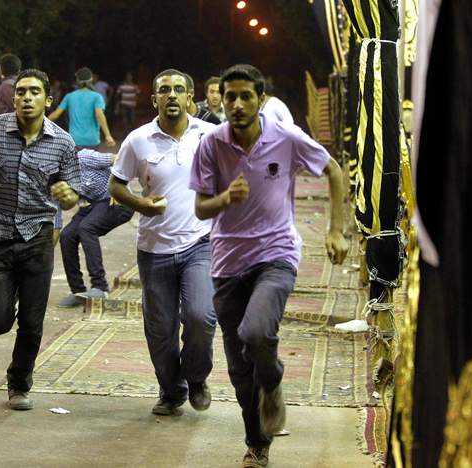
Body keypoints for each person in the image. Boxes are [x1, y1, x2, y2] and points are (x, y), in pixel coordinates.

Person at [190, 64, 349, 468]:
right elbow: (201, 207)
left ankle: (274, 379)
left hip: (276, 253)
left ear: (261, 99)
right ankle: (257, 444)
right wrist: (225, 198)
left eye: (246, 96)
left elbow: (333, 170)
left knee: (257, 331)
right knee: (241, 370)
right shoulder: (211, 144)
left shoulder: (286, 137)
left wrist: (336, 230)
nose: (237, 104)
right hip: (226, 261)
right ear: (221, 100)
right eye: (230, 97)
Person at [0, 69, 81, 411]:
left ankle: (19, 382)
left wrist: (66, 196)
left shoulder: (63, 143)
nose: (27, 97)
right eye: (21, 91)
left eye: (35, 92)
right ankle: (4, 305)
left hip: (37, 238)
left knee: (32, 320)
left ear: (47, 100)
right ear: (13, 98)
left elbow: (71, 199)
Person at [108, 69, 217, 416]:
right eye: (164, 90)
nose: (172, 95)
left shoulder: (212, 136)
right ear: (154, 100)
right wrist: (139, 204)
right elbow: (115, 185)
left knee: (201, 316)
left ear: (190, 99)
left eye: (179, 90)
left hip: (201, 244)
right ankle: (172, 391)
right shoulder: (138, 140)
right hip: (153, 250)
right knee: (160, 329)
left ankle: (197, 378)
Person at [57, 149, 134, 307]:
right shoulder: (58, 178)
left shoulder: (84, 157)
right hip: (98, 204)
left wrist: (120, 188)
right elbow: (58, 211)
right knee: (67, 235)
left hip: (118, 202)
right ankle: (77, 291)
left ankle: (100, 287)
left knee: (86, 227)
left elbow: (119, 159)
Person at [48, 67, 115, 148]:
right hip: (92, 141)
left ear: (77, 81)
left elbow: (55, 114)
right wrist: (108, 135)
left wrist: (41, 128)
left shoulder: (69, 96)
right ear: (91, 80)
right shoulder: (97, 97)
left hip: (75, 140)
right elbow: (99, 114)